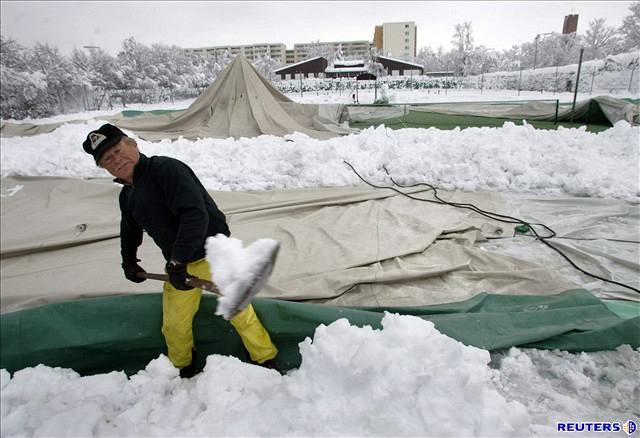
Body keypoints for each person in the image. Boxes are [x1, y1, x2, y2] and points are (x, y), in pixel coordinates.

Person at [82, 123, 278, 377]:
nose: (116, 160)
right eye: (108, 159)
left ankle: (266, 358)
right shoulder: (127, 196)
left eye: (119, 150)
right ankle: (182, 364)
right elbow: (130, 230)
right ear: (104, 167)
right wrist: (128, 261)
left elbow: (195, 215)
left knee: (239, 311)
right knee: (174, 324)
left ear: (133, 144)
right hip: (181, 264)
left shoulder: (166, 169)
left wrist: (177, 262)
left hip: (213, 252)